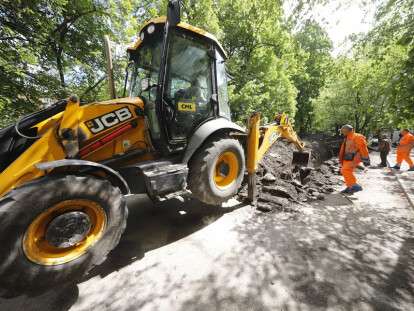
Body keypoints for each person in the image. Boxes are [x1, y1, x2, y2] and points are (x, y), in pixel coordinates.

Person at [339, 124, 370, 194]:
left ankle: (354, 186)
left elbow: (363, 148)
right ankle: (350, 186)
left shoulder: (357, 137)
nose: (342, 132)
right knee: (345, 170)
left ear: (346, 130)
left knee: (345, 170)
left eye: (342, 131)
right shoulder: (348, 137)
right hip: (348, 157)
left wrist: (366, 159)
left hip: (354, 158)